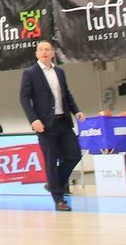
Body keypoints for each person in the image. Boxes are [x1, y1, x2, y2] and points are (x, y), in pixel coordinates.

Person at [19, 40, 85, 211]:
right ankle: (59, 199)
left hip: (63, 121)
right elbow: (24, 98)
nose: (44, 52)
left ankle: (54, 183)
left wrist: (76, 110)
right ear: (36, 54)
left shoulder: (60, 72)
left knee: (74, 154)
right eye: (40, 50)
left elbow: (66, 94)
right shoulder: (30, 73)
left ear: (53, 53)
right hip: (45, 125)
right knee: (50, 160)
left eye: (47, 49)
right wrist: (33, 120)